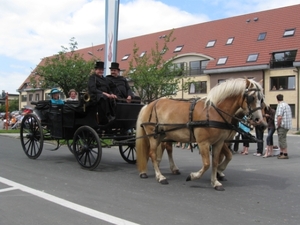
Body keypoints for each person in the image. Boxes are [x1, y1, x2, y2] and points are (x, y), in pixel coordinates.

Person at [275, 94, 292, 159]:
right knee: (281, 138)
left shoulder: (280, 105)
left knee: (282, 139)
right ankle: (281, 152)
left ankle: (285, 154)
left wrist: (278, 125)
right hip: (287, 125)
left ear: (277, 99)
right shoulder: (287, 105)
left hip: (282, 125)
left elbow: (279, 117)